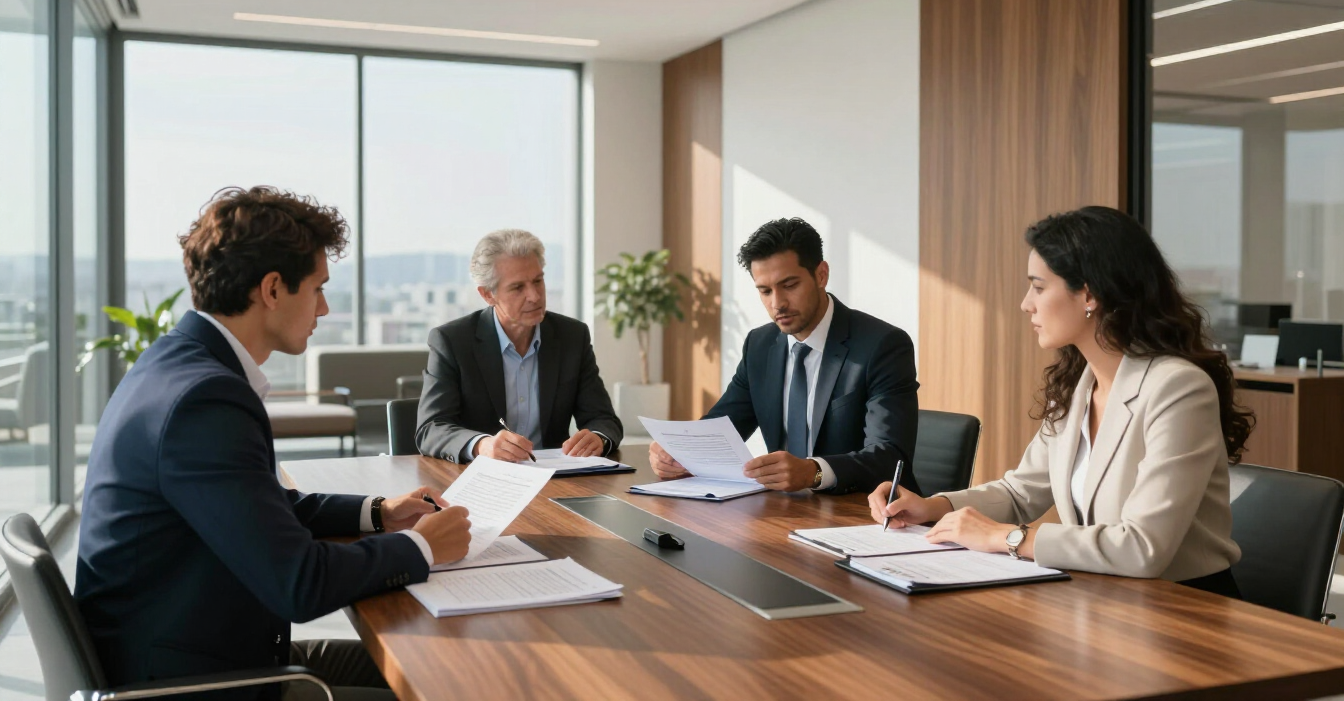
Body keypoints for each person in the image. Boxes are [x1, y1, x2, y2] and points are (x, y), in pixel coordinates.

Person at [76, 187, 473, 701]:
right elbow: (300, 584)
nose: (325, 308)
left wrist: (378, 513)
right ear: (272, 289)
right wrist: (422, 547)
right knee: (450, 687)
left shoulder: (173, 364)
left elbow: (257, 508)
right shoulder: (205, 399)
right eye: (318, 288)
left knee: (441, 669)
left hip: (196, 650)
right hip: (195, 684)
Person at [869, 206, 1251, 596]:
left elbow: (1143, 548)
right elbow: (1020, 493)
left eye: (1038, 286)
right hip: (1107, 601)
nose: (1026, 304)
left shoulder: (1178, 388)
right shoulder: (1080, 383)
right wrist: (933, 508)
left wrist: (1008, 539)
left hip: (1185, 609)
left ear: (1089, 294)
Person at [650, 218, 919, 495]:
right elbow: (724, 426)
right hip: (787, 511)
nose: (777, 303)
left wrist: (814, 471)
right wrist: (680, 453)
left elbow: (890, 456)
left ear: (821, 275)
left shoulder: (882, 345)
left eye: (789, 285)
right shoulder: (760, 344)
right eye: (765, 291)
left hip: (866, 512)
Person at [417, 229, 623, 463]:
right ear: (487, 294)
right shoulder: (453, 341)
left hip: (556, 479)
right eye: (518, 288)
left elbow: (603, 419)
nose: (534, 296)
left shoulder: (572, 336)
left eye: (538, 281)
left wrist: (598, 438)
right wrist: (481, 445)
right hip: (480, 479)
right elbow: (431, 428)